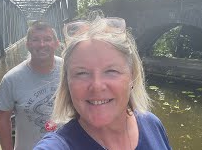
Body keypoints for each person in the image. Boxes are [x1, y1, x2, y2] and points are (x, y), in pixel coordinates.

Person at [34, 16, 171, 150]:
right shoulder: (58, 145)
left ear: (132, 76)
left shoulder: (152, 124)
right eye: (81, 73)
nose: (97, 86)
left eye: (111, 71)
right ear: (67, 83)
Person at [0, 21, 62, 150]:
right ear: (27, 45)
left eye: (47, 39)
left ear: (56, 44)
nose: (42, 44)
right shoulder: (11, 79)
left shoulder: (69, 70)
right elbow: (2, 119)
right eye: (35, 40)